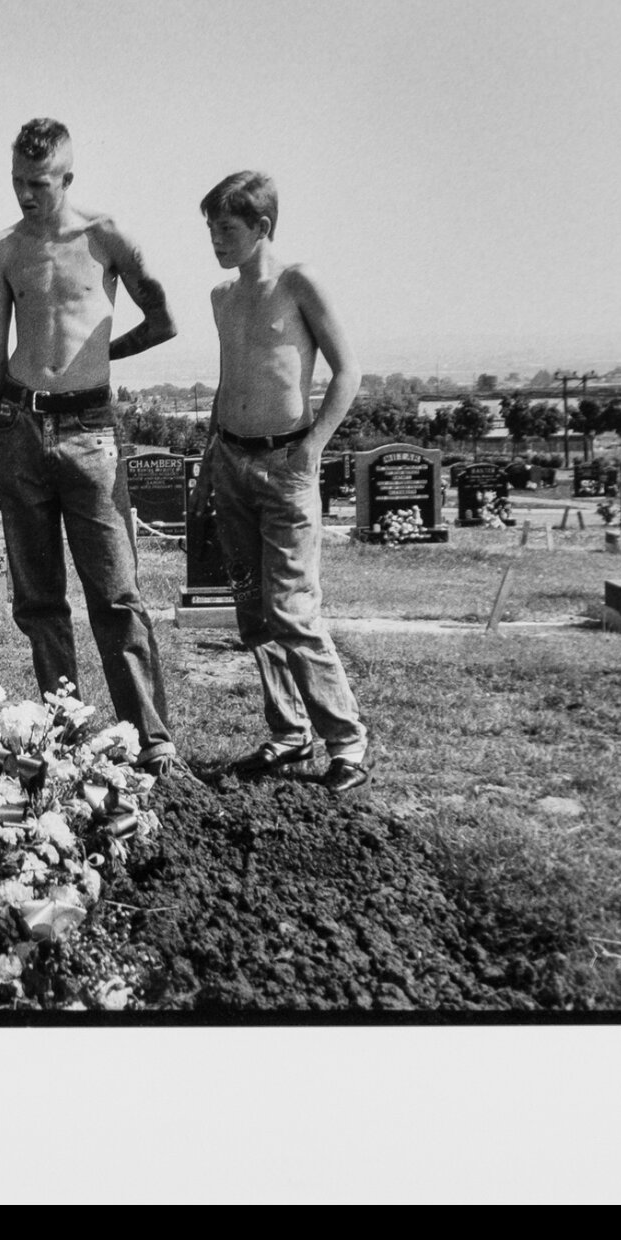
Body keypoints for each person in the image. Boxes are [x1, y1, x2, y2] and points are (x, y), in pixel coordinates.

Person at [0, 117, 179, 766]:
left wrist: (103, 354)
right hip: (19, 431)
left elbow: (164, 318)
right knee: (38, 601)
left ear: (67, 176)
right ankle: (66, 739)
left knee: (117, 595)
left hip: (90, 434)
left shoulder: (105, 237)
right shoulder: (2, 250)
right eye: (16, 181)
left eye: (38, 183)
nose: (25, 195)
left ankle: (152, 743)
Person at [193, 170, 371, 792]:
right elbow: (228, 381)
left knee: (292, 610)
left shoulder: (299, 283)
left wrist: (313, 448)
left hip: (287, 466)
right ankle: (289, 734)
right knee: (252, 612)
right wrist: (212, 456)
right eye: (210, 228)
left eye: (227, 229)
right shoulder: (221, 297)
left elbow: (348, 371)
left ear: (262, 227)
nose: (215, 240)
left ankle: (345, 743)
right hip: (233, 465)